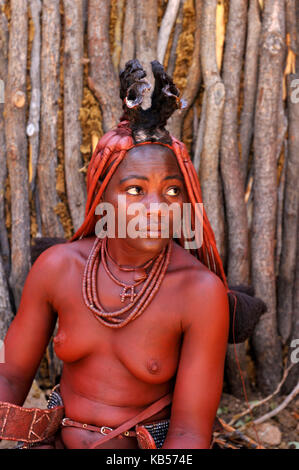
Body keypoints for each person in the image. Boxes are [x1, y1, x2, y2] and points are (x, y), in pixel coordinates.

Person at [0, 60, 265, 449]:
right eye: (136, 190)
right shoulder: (59, 268)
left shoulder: (199, 293)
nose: (158, 207)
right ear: (101, 194)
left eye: (173, 192)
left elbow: (190, 434)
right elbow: (9, 377)